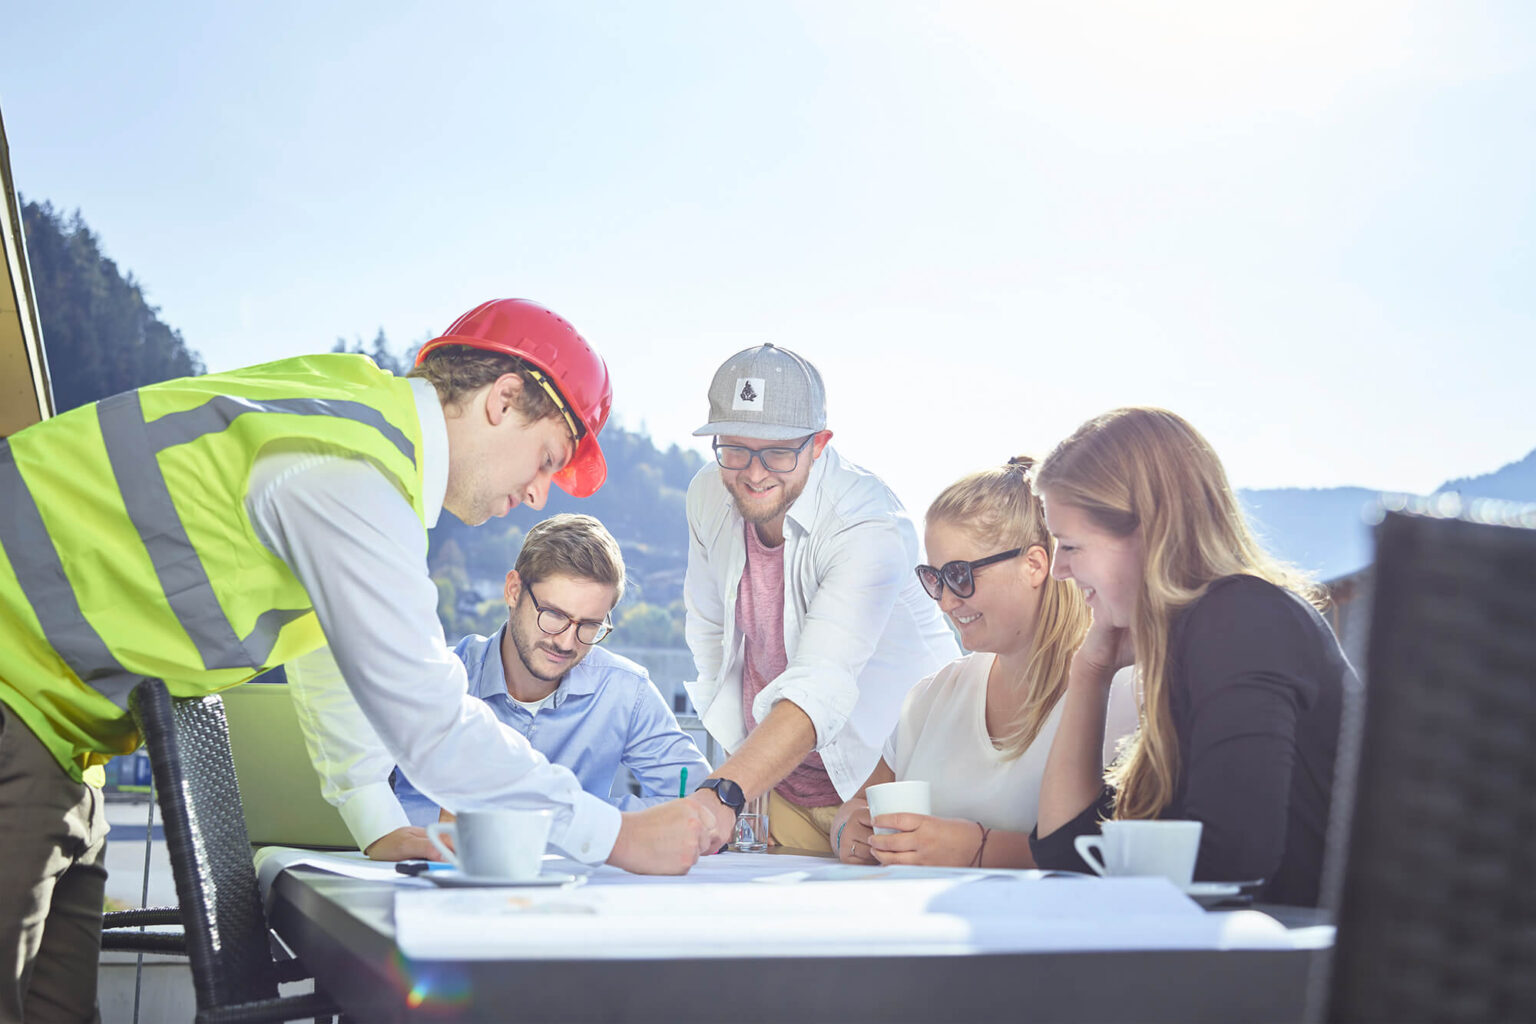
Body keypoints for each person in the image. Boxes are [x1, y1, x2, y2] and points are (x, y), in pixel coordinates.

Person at [0, 298, 708, 1022]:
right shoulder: (354, 468)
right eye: (546, 461)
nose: (535, 494)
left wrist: (376, 822)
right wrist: (614, 836)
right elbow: (431, 724)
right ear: (503, 401)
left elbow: (325, 661)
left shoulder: (351, 423)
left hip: (54, 737)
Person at [1027, 407, 1354, 906]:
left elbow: (1231, 863)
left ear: (1148, 533)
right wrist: (1089, 675)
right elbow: (1067, 857)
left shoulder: (1244, 620)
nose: (1060, 571)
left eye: (1071, 545)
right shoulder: (1199, 636)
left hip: (1302, 964)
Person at [681, 343, 959, 853]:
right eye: (735, 449)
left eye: (779, 451)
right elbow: (711, 638)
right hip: (774, 791)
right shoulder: (707, 494)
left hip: (886, 796)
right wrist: (746, 780)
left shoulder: (866, 522)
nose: (754, 472)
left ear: (819, 444)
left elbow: (822, 686)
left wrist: (723, 790)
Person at [828, 458, 1136, 867]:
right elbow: (850, 814)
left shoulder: (1124, 695)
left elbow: (1127, 853)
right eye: (934, 577)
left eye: (960, 575)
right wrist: (851, 835)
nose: (944, 601)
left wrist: (979, 849)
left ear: (1035, 565)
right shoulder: (932, 696)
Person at [386, 513, 711, 824]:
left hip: (586, 882)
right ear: (513, 591)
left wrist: (570, 819)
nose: (567, 643)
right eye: (554, 614)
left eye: (589, 625)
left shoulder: (626, 691)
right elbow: (408, 813)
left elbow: (699, 801)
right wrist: (579, 823)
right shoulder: (442, 681)